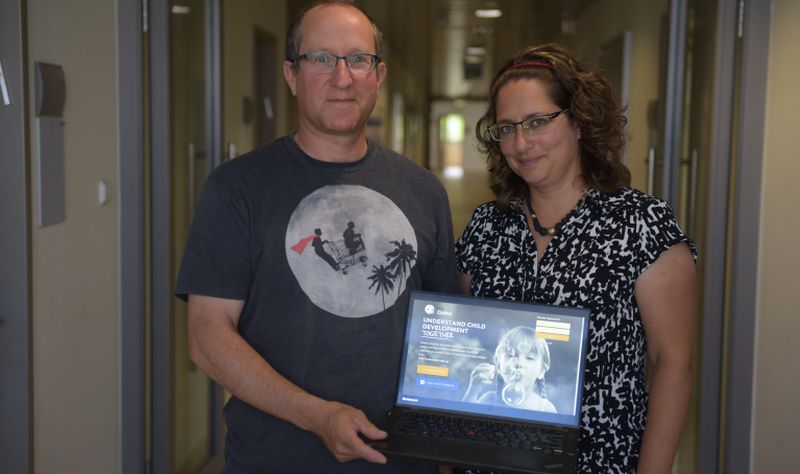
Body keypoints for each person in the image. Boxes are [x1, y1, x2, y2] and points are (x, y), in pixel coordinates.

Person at [175, 2, 457, 473]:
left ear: (379, 75)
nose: (342, 78)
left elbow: (442, 327)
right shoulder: (238, 188)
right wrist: (318, 417)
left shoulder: (423, 190)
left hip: (402, 459)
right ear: (291, 74)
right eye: (321, 59)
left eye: (357, 59)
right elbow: (207, 337)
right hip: (276, 458)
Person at [454, 44, 696, 473]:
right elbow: (467, 344)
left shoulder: (641, 225)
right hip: (490, 461)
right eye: (506, 128)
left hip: (602, 460)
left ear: (580, 122)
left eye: (537, 122)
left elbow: (672, 363)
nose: (521, 143)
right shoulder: (486, 228)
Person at [462, 326, 556, 413]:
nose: (519, 363)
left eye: (530, 358)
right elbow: (464, 420)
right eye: (510, 355)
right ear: (498, 366)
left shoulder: (545, 408)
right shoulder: (489, 399)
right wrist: (473, 391)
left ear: (542, 371)